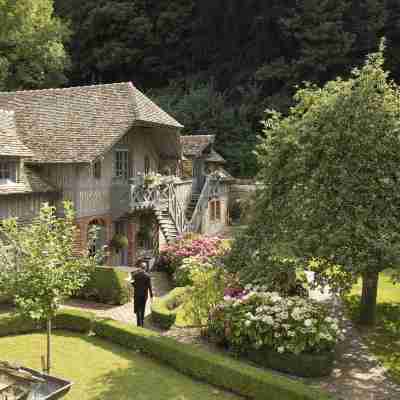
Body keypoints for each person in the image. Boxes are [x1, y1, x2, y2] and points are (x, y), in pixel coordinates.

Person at [131, 261, 153, 327]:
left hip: (137, 295)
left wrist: (133, 284)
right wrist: (151, 296)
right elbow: (149, 287)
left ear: (140, 267)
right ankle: (142, 324)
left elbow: (133, 284)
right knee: (143, 309)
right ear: (145, 268)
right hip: (144, 296)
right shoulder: (147, 276)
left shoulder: (135, 275)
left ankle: (138, 323)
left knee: (137, 309)